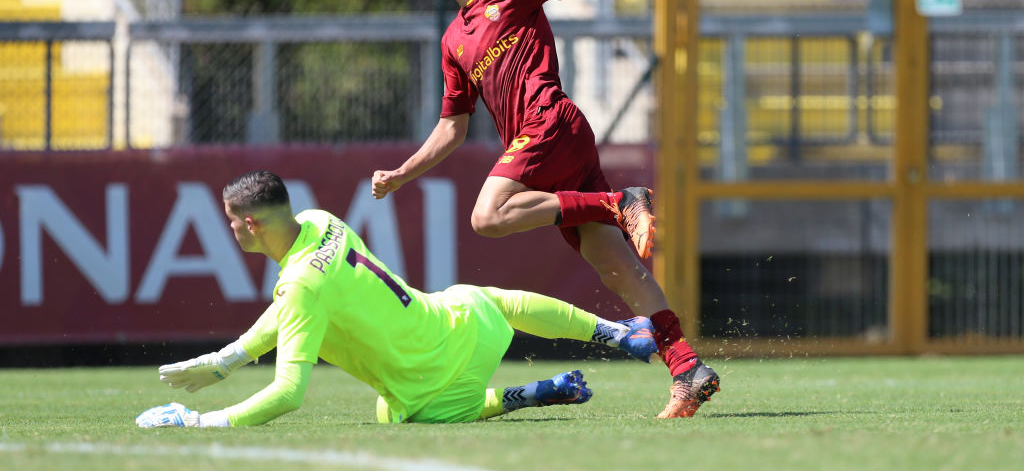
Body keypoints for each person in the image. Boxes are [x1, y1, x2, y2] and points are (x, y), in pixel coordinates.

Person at [370, 0, 719, 418]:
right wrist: (403, 172)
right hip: (548, 148)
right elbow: (452, 128)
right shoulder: (452, 41)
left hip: (549, 123)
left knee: (487, 216)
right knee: (616, 267)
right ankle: (687, 369)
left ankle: (619, 202)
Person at [135, 170, 659, 428]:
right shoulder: (320, 222)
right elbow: (293, 309)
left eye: (231, 222)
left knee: (396, 411)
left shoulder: (298, 287)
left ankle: (529, 394)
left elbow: (289, 393)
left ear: (250, 223)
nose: (229, 232)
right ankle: (617, 332)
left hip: (433, 397)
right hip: (463, 328)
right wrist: (228, 361)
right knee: (482, 298)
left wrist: (199, 420)